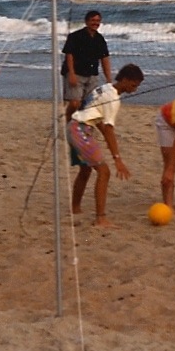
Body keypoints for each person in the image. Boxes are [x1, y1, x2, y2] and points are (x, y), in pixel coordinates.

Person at [68, 64, 145, 228]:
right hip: (80, 130)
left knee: (86, 169)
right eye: (133, 85)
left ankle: (75, 208)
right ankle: (100, 218)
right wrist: (117, 158)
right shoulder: (114, 99)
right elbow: (109, 129)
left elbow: (99, 120)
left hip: (74, 126)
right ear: (124, 80)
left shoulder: (105, 87)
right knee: (104, 171)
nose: (135, 89)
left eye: (137, 86)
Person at [61, 10, 112, 120]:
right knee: (75, 103)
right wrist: (71, 74)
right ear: (86, 21)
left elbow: (104, 58)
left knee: (88, 104)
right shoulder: (75, 36)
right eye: (93, 20)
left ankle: (81, 124)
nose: (95, 23)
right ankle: (68, 120)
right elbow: (69, 55)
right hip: (76, 73)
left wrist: (109, 79)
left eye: (98, 21)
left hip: (92, 74)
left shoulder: (100, 39)